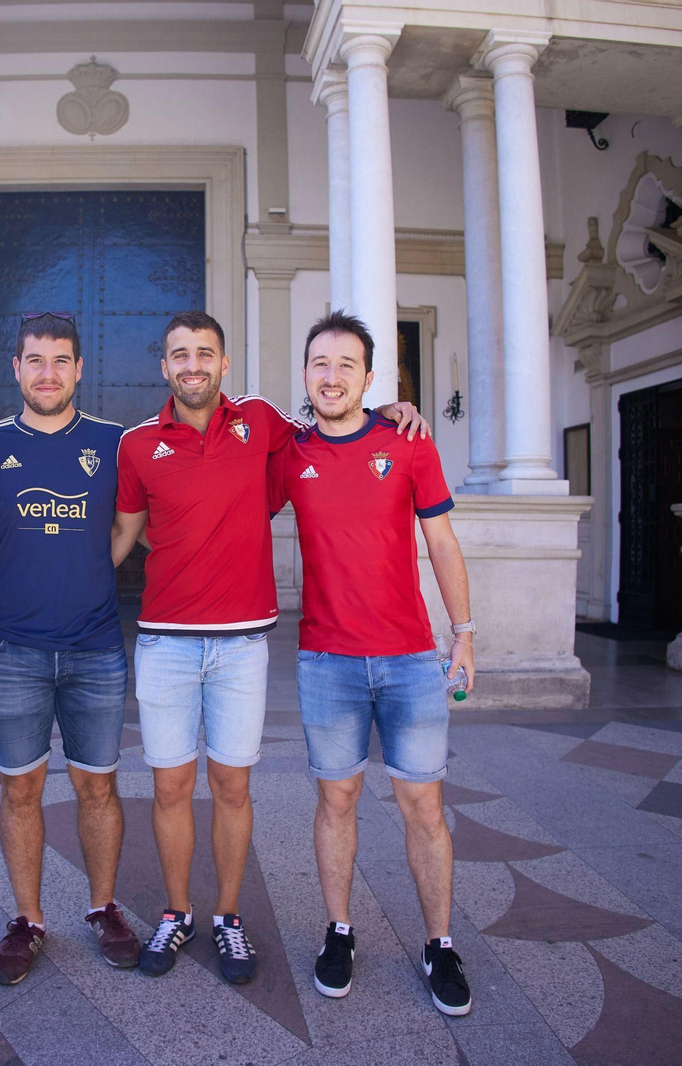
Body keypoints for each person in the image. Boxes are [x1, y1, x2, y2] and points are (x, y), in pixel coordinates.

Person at [110, 310, 428, 984]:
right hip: (165, 641)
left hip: (241, 644)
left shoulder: (261, 423)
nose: (192, 364)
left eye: (205, 352)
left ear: (225, 364)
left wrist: (393, 407)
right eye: (179, 355)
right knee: (169, 788)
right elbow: (128, 531)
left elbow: (335, 421)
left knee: (232, 786)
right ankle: (176, 912)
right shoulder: (137, 445)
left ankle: (226, 917)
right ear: (163, 367)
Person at [269, 311, 476, 1016]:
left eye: (346, 365)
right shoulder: (289, 455)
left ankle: (440, 943)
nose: (331, 376)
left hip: (412, 661)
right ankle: (339, 931)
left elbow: (443, 544)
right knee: (338, 799)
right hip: (327, 661)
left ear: (369, 376)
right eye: (320, 363)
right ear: (306, 374)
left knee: (424, 804)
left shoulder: (409, 443)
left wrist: (465, 635)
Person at [0, 311, 139, 985]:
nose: (48, 372)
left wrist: (94, 565)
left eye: (61, 360)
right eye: (35, 360)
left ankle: (102, 907)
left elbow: (127, 523)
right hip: (9, 650)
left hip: (93, 649)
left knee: (97, 786)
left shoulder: (114, 443)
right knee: (21, 787)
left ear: (79, 368)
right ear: (16, 368)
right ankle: (27, 920)